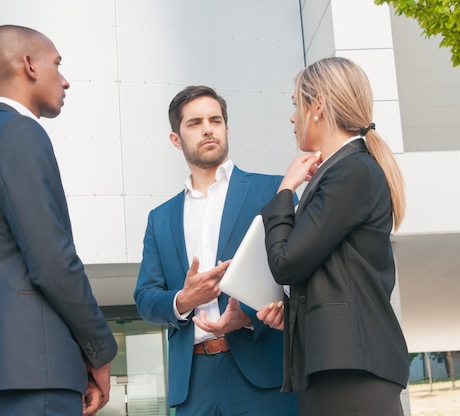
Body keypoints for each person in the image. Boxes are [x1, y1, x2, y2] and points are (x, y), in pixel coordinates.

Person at [0, 25, 118, 416]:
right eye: (57, 64)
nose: (65, 79)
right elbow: (52, 262)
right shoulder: (19, 134)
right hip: (32, 373)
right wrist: (100, 350)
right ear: (28, 65)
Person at [133, 85, 298, 415]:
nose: (208, 128)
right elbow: (146, 297)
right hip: (193, 384)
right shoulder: (160, 219)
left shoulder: (274, 191)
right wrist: (184, 299)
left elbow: (301, 274)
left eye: (215, 120)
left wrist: (248, 318)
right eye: (194, 123)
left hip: (262, 375)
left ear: (226, 129)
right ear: (175, 139)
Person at [258, 56, 409, 416]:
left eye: (297, 105)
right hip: (338, 367)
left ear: (318, 107)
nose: (293, 118)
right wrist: (291, 309)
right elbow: (330, 271)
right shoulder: (345, 170)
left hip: (351, 370)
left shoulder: (351, 170)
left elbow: (286, 262)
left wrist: (285, 190)